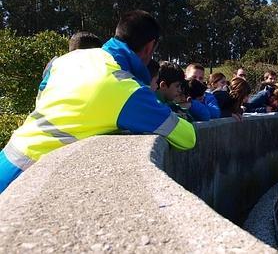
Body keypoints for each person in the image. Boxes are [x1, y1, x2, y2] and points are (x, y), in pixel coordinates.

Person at [0, 10, 196, 193]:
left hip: (10, 154)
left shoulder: (68, 59)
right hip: (30, 177)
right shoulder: (127, 90)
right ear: (149, 47)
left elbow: (43, 95)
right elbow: (187, 138)